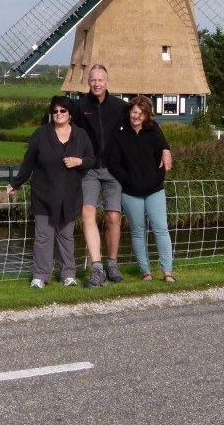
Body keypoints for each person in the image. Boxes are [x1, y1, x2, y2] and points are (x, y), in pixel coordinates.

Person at [73, 65, 170, 287]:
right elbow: (68, 132)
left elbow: (147, 124)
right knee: (88, 213)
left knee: (113, 218)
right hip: (88, 169)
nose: (97, 84)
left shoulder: (119, 107)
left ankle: (112, 263)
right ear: (88, 82)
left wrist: (165, 147)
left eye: (101, 80)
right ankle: (97, 267)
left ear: (108, 82)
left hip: (113, 169)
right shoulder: (80, 107)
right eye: (93, 80)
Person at [7, 95, 94, 288]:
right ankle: (40, 275)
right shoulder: (40, 135)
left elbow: (91, 159)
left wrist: (79, 161)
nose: (58, 114)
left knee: (66, 236)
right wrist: (16, 183)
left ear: (70, 114)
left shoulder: (80, 135)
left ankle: (68, 275)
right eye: (55, 111)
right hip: (44, 194)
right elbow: (28, 162)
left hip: (69, 195)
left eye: (63, 110)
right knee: (43, 237)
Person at [107, 95, 176, 282]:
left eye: (139, 113)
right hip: (131, 192)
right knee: (138, 232)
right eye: (133, 112)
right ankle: (146, 272)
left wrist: (158, 177)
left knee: (161, 228)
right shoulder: (120, 134)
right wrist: (127, 180)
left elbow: (163, 148)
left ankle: (167, 271)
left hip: (154, 189)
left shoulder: (154, 130)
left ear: (146, 115)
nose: (135, 116)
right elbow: (113, 162)